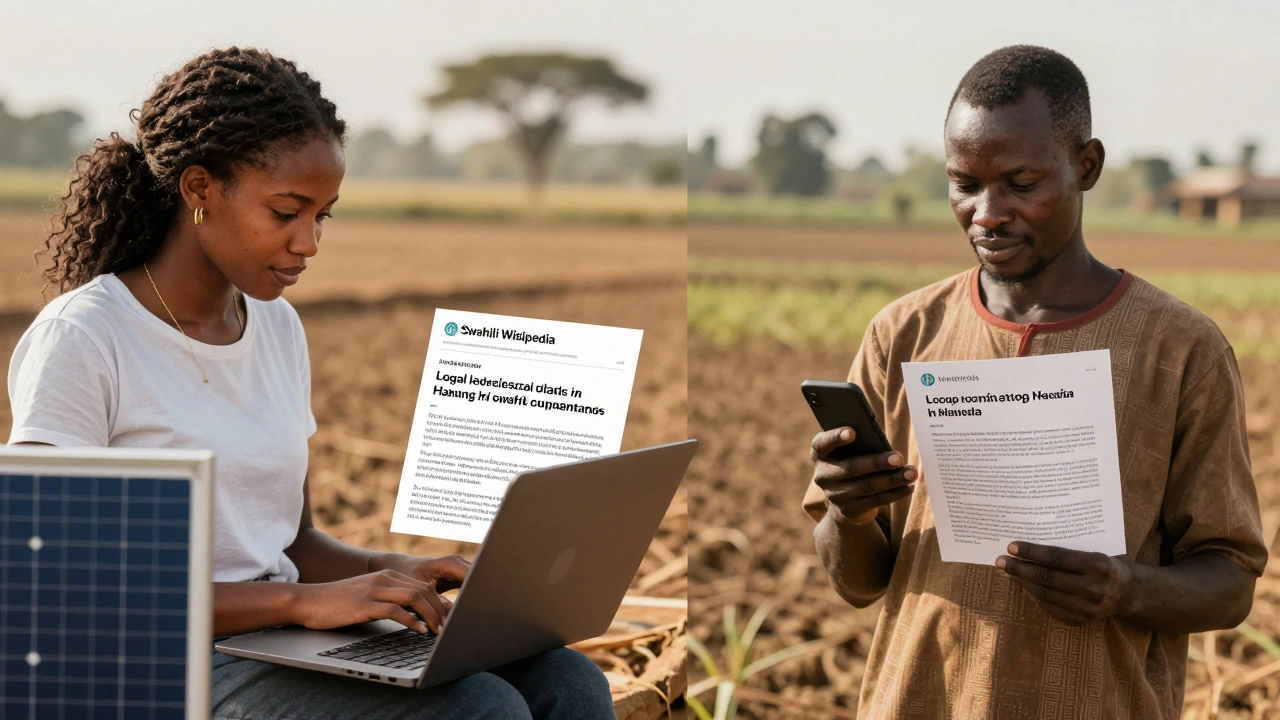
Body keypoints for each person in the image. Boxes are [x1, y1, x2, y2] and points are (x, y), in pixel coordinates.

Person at [5, 47, 614, 720]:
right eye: (287, 211)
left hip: (275, 639)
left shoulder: (275, 326)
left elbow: (291, 542)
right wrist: (301, 602)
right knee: (479, 709)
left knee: (565, 680)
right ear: (200, 188)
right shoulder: (86, 337)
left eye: (323, 215)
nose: (310, 242)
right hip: (153, 659)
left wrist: (395, 571)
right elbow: (50, 580)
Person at [802, 45, 1266, 719]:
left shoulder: (1179, 350)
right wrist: (852, 513)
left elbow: (1229, 583)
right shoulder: (902, 334)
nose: (987, 213)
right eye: (964, 184)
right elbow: (858, 584)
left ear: (1087, 167)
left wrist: (1123, 588)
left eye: (1020, 184)